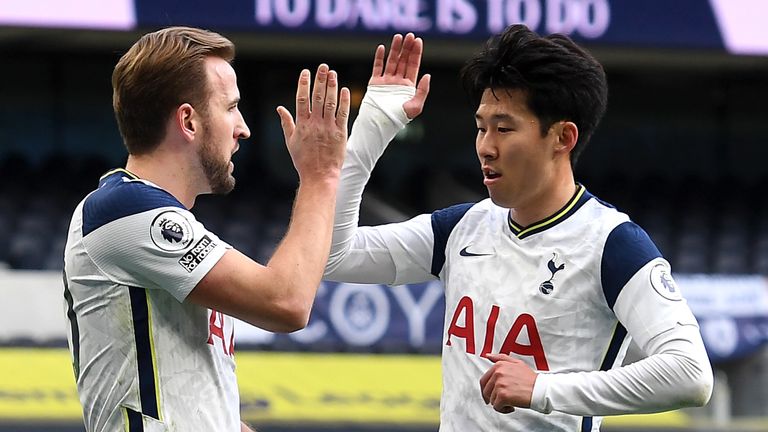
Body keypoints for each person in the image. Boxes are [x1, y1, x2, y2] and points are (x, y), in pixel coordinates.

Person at [325, 26, 713, 431]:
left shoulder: (612, 244)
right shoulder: (461, 228)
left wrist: (542, 389)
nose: (485, 147)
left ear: (562, 137)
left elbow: (690, 374)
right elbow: (333, 255)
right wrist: (373, 126)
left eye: (504, 128)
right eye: (481, 127)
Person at [63, 26, 350, 432]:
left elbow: (199, 409)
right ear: (188, 121)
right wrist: (321, 175)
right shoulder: (122, 208)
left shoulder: (152, 218)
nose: (243, 128)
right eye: (231, 107)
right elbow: (287, 302)